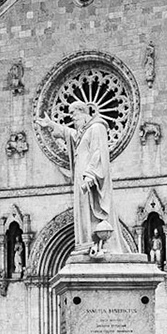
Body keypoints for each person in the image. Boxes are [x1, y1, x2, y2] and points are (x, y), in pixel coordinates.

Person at [40, 101, 115, 257]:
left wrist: (90, 175)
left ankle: (96, 244)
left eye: (73, 114)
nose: (72, 118)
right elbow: (70, 134)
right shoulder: (84, 131)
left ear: (83, 112)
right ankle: (86, 243)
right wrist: (51, 124)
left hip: (90, 180)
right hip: (81, 180)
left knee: (92, 212)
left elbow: (98, 153)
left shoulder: (97, 128)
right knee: (83, 212)